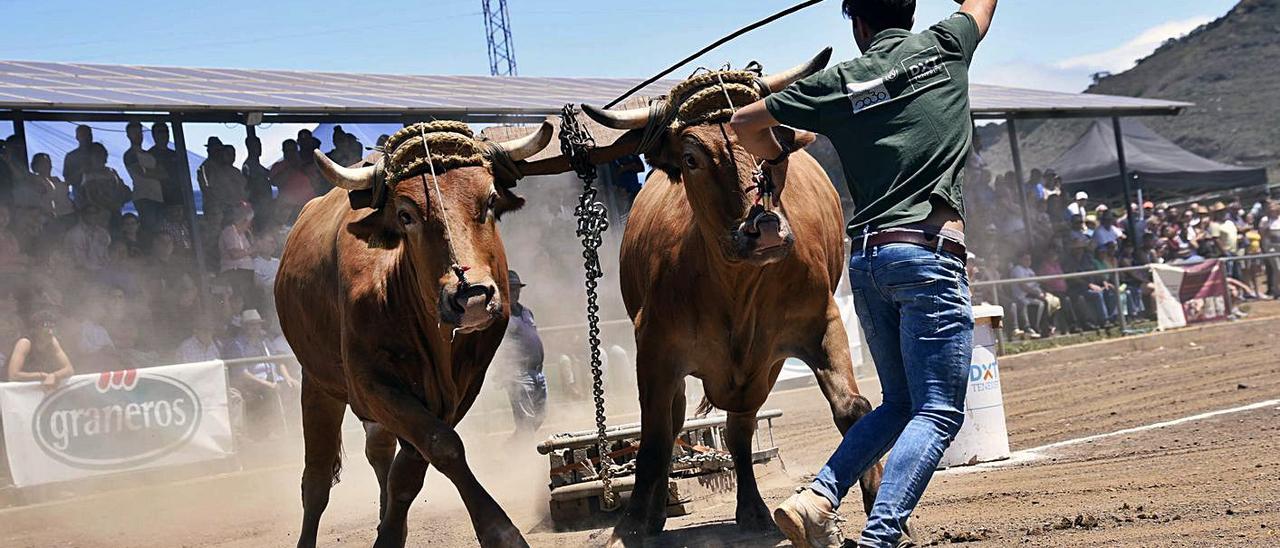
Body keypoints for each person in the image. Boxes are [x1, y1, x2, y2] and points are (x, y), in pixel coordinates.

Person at [729, 1, 999, 546]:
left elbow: (742, 125)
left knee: (900, 403)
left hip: (870, 258)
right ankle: (880, 537)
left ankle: (818, 498)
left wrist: (776, 150)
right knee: (940, 411)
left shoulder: (839, 83)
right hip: (929, 255)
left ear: (857, 24)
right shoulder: (945, 45)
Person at [490, 270, 548, 438]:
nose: (515, 292)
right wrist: (503, 372)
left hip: (537, 371)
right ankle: (525, 457)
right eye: (511, 289)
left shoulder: (526, 312)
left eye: (517, 289)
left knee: (540, 416)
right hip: (518, 374)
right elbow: (497, 346)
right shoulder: (501, 315)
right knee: (526, 421)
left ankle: (511, 448)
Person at [226, 309, 299, 439]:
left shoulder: (265, 341)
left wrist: (288, 378)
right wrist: (268, 384)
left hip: (272, 380)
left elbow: (277, 361)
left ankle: (296, 428)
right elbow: (242, 373)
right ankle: (274, 431)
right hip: (251, 384)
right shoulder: (236, 345)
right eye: (251, 325)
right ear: (244, 327)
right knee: (271, 392)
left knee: (295, 388)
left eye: (257, 324)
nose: (255, 328)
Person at [6, 309, 74, 387]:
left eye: (52, 327)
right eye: (46, 327)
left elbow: (69, 369)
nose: (50, 332)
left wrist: (54, 375)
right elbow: (13, 375)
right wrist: (42, 376)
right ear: (35, 329)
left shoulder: (52, 341)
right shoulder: (25, 343)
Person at [123, 121, 165, 233]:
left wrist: (152, 172)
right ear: (128, 135)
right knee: (149, 230)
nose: (138, 135)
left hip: (158, 196)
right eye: (134, 133)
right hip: (144, 197)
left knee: (159, 229)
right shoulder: (130, 155)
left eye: (139, 132)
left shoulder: (149, 154)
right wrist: (154, 173)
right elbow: (142, 173)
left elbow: (163, 172)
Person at [15, 153, 75, 224]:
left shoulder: (56, 179)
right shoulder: (34, 179)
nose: (47, 164)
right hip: (52, 218)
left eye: (48, 161)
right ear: (36, 166)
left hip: (70, 214)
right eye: (43, 162)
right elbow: (22, 174)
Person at [78, 143, 132, 215]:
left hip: (115, 210)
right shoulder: (88, 175)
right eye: (97, 154)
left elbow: (124, 190)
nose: (100, 157)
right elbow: (91, 197)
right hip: (98, 214)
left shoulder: (112, 172)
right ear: (90, 157)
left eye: (103, 153)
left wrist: (119, 200)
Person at [219, 205, 257, 307]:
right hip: (235, 272)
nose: (250, 225)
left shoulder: (244, 234)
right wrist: (252, 249)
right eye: (249, 221)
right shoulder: (229, 231)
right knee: (242, 300)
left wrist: (253, 240)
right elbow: (234, 254)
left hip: (246, 273)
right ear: (244, 220)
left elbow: (253, 254)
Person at [62, 125, 94, 194]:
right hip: (80, 196)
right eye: (83, 135)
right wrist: (81, 172)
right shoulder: (71, 156)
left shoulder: (98, 153)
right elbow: (67, 180)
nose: (86, 138)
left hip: (101, 195)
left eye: (88, 135)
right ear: (77, 137)